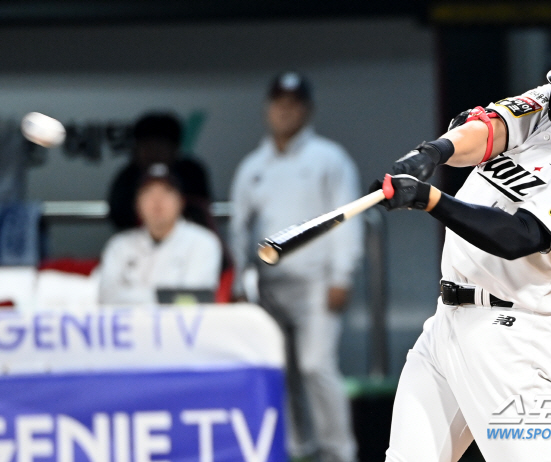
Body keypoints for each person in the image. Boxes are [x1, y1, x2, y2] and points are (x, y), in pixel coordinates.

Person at [372, 30, 551, 462]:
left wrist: (430, 199)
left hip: (512, 339)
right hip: (447, 321)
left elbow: (519, 237)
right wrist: (434, 152)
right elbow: (489, 130)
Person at [230, 72, 363, 462]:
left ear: (307, 109)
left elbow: (346, 218)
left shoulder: (329, 158)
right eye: (279, 103)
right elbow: (238, 229)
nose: (285, 111)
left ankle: (339, 452)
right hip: (270, 284)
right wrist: (240, 282)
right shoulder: (252, 166)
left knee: (315, 365)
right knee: (279, 369)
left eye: (293, 104)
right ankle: (293, 448)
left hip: (317, 281)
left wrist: (342, 275)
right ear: (268, 109)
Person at [100, 163, 222, 305]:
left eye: (167, 191)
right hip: (129, 325)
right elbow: (106, 297)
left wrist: (134, 296)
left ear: (181, 201)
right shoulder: (119, 245)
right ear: (136, 204)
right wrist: (160, 297)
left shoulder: (204, 242)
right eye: (148, 192)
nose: (157, 200)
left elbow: (194, 299)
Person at [107, 112, 212, 230]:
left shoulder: (191, 173)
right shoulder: (128, 176)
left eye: (160, 145)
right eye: (147, 145)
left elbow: (201, 211)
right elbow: (119, 215)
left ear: (175, 149)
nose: (153, 152)